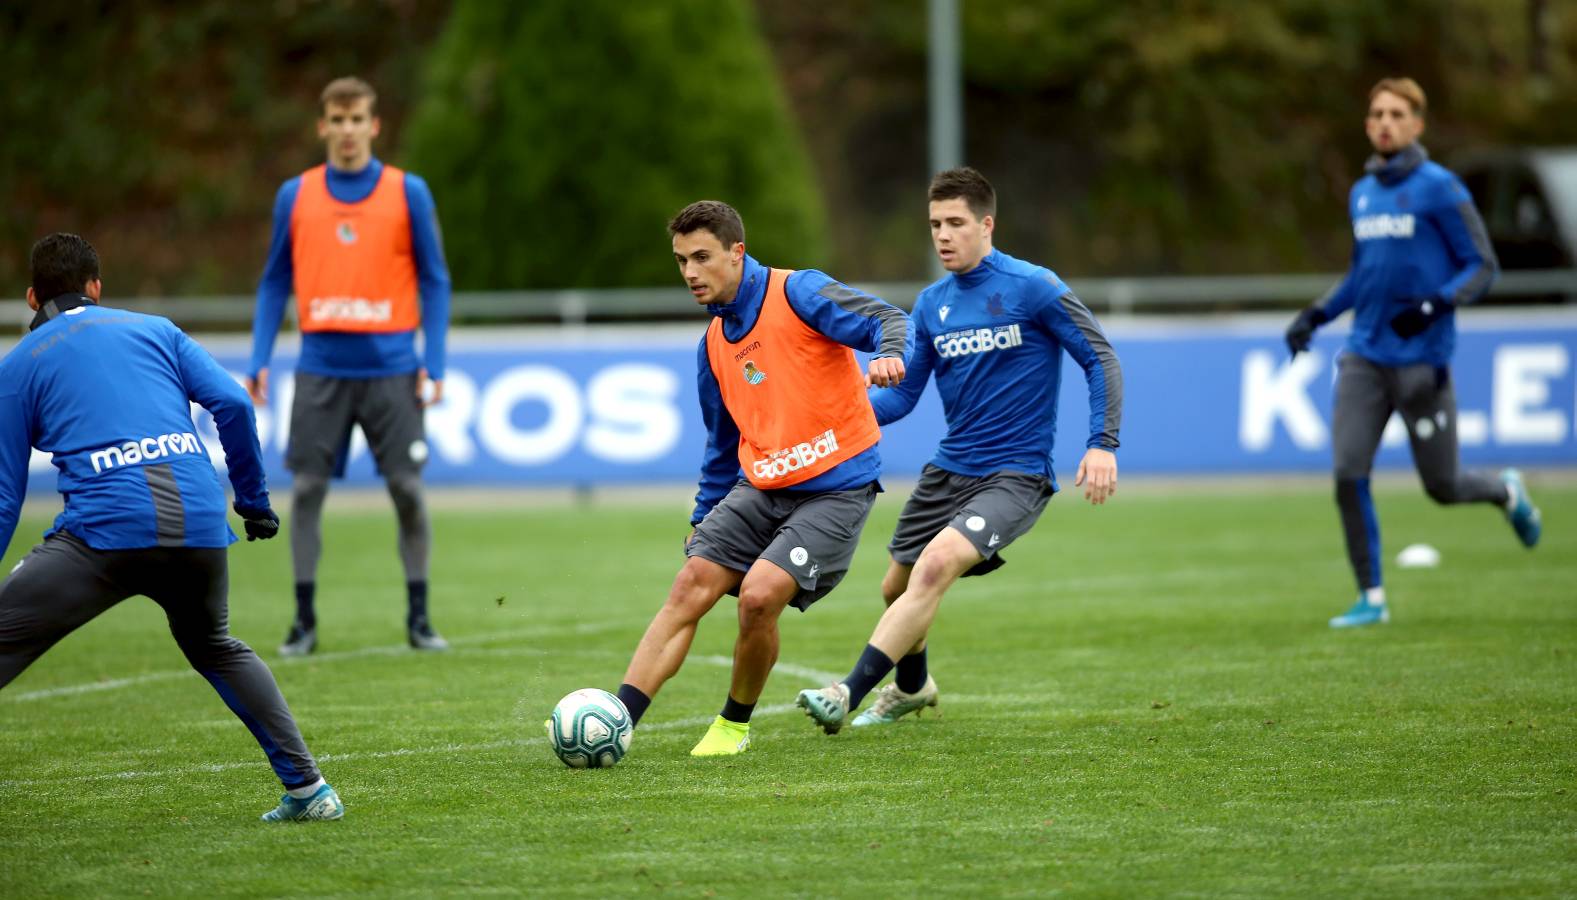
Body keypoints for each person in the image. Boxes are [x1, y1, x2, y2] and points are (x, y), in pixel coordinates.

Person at [0, 233, 343, 822]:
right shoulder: (157, 330)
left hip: (103, 535)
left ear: (33, 297)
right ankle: (312, 791)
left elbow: (6, 495)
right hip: (199, 521)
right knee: (215, 645)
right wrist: (253, 502)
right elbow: (234, 404)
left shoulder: (18, 365)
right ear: (96, 287)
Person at [797, 167, 1122, 733]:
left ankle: (845, 693)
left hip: (1015, 474)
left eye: (955, 223)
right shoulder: (931, 304)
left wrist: (1102, 443)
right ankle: (913, 687)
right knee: (895, 587)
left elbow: (1100, 358)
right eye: (934, 224)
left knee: (935, 566)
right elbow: (903, 398)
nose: (943, 235)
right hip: (950, 469)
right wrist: (839, 412)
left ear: (986, 225)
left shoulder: (1034, 287)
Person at [610, 200, 912, 756]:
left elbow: (888, 319)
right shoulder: (712, 346)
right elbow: (722, 445)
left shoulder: (797, 292)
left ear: (737, 253)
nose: (690, 272)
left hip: (837, 489)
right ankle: (617, 719)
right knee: (690, 584)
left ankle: (732, 726)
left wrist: (891, 353)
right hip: (762, 487)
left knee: (758, 597)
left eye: (702, 257)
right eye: (681, 261)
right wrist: (703, 517)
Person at [1283, 77, 1541, 629]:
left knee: (1443, 486)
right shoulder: (1362, 192)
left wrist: (1434, 305)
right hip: (1364, 356)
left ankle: (1505, 491)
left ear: (1417, 124)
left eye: (1397, 114)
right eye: (1377, 113)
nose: (1385, 123)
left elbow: (1483, 265)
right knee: (1348, 472)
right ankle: (1371, 597)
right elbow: (1361, 275)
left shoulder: (1439, 188)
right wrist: (1317, 314)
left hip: (1423, 361)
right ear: (1367, 124)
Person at [248, 76, 452, 655]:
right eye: (337, 120)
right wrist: (260, 357)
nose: (347, 130)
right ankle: (303, 621)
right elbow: (274, 281)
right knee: (307, 489)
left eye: (357, 119)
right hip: (320, 369)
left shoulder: (408, 192)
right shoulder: (296, 195)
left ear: (374, 125)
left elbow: (435, 280)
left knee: (407, 489)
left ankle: (419, 618)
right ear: (322, 126)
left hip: (393, 369)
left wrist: (434, 361)